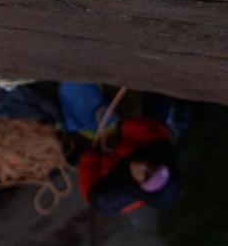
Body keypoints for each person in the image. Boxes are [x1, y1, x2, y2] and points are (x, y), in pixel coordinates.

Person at [57, 82, 182, 215]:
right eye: (152, 165)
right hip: (115, 130)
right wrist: (113, 134)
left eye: (145, 176)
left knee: (73, 90)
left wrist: (94, 154)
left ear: (139, 187)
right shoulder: (156, 146)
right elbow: (127, 126)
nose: (143, 166)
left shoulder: (107, 196)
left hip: (99, 146)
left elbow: (87, 165)